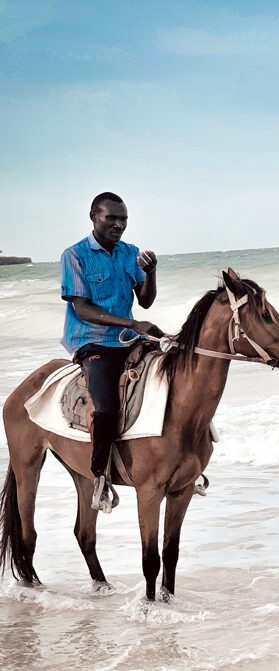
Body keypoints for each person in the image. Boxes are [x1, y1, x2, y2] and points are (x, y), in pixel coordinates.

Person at [60, 192, 163, 512]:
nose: (119, 224)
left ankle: (182, 462)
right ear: (94, 217)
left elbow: (145, 300)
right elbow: (83, 309)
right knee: (105, 408)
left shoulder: (130, 254)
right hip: (92, 340)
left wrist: (153, 271)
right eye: (112, 218)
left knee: (177, 372)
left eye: (124, 219)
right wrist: (133, 323)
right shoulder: (75, 255)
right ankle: (100, 475)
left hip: (128, 338)